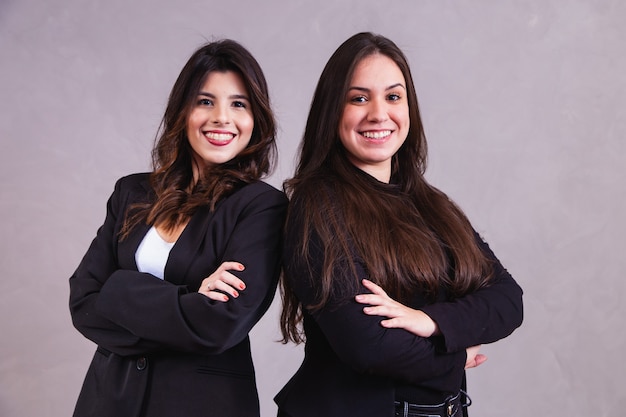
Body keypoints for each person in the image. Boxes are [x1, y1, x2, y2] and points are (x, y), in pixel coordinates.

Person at [275, 32, 523, 417]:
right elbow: (368, 345)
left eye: (393, 97)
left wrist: (430, 321)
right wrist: (456, 357)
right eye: (359, 98)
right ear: (332, 111)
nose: (378, 113)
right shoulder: (316, 206)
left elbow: (508, 300)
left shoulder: (433, 205)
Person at [69, 39, 287, 417]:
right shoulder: (131, 192)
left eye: (238, 104)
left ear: (256, 119)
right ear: (182, 111)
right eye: (205, 101)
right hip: (108, 402)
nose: (221, 117)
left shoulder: (261, 207)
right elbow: (84, 302)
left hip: (202, 405)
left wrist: (119, 288)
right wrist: (190, 297)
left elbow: (221, 324)